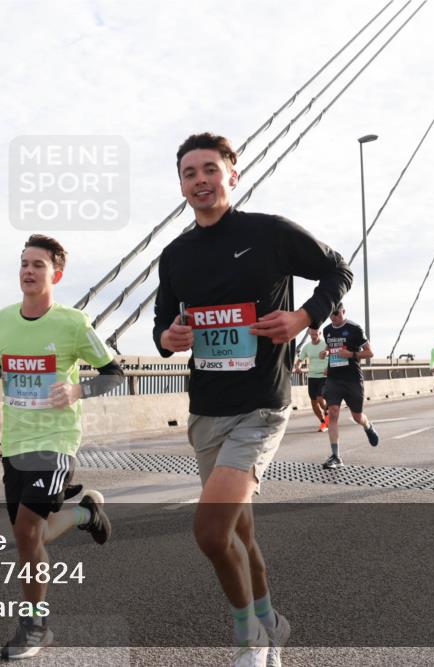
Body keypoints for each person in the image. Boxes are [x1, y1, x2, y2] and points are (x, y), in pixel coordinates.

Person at [153, 133, 352, 667]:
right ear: (181, 185)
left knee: (211, 529)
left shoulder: (268, 233)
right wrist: (169, 339)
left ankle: (250, 640)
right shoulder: (174, 256)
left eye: (210, 169)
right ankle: (274, 623)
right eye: (189, 173)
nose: (200, 180)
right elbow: (161, 328)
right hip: (204, 412)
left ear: (232, 176)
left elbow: (338, 269)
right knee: (240, 533)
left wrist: (303, 317)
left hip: (260, 406)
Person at [0, 234, 124, 660]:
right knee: (29, 538)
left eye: (37, 264)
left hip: (56, 441)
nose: (27, 270)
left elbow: (114, 372)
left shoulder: (73, 323)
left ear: (55, 274)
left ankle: (35, 626)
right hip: (14, 441)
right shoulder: (2, 319)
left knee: (25, 533)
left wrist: (78, 391)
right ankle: (83, 513)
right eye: (23, 262)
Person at [320, 303, 380, 469]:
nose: (334, 317)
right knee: (333, 413)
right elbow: (331, 345)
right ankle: (336, 456)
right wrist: (326, 352)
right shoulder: (326, 330)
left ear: (343, 311)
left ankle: (368, 427)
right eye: (331, 315)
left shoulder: (355, 328)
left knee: (357, 417)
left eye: (337, 314)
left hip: (352, 379)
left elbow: (370, 352)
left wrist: (351, 354)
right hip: (333, 378)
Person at [293, 326, 330, 431]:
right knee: (313, 402)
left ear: (320, 333)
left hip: (324, 376)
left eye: (316, 334)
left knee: (320, 397)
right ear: (309, 333)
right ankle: (323, 422)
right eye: (312, 334)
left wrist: (329, 368)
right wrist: (298, 368)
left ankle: (327, 412)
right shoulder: (307, 347)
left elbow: (333, 357)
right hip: (312, 376)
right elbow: (300, 360)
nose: (314, 336)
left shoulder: (326, 345)